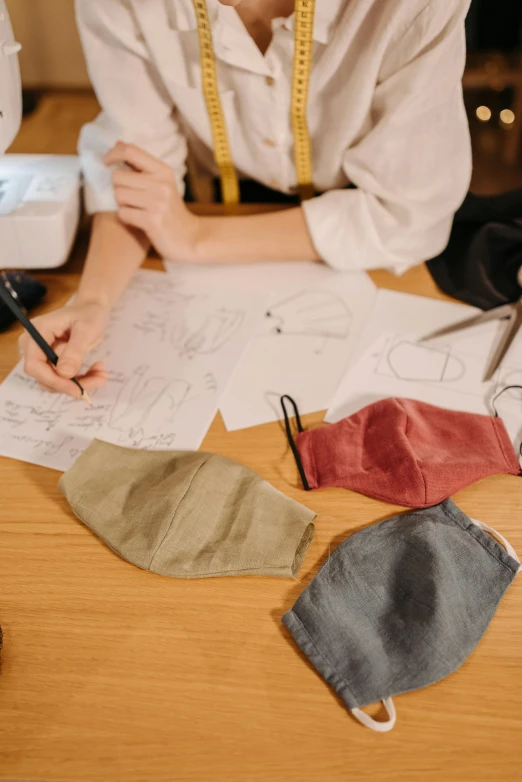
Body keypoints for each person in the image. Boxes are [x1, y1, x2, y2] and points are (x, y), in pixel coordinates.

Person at [21, 0, 472, 397]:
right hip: (212, 196)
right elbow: (137, 171)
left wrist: (195, 237)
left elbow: (409, 214)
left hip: (360, 232)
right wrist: (92, 301)